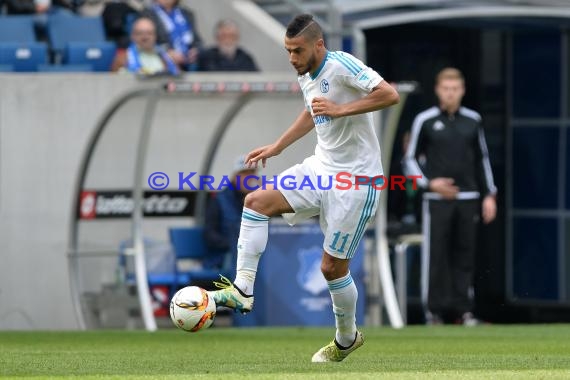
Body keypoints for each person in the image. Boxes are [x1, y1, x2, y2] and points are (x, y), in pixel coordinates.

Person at [208, 14, 399, 362]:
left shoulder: (342, 64)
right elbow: (311, 112)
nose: (292, 58)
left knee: (331, 269)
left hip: (356, 181)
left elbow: (389, 94)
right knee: (256, 201)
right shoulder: (307, 74)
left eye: (298, 51)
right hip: (320, 168)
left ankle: (346, 338)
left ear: (319, 45)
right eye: (288, 51)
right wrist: (277, 146)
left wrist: (342, 110)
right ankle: (243, 291)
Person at [404, 67, 497, 326]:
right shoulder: (425, 120)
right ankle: (433, 312)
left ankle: (463, 311)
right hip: (436, 201)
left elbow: (482, 159)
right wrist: (429, 184)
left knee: (465, 255)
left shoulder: (473, 120)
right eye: (446, 89)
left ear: (463, 91)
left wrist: (489, 195)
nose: (450, 94)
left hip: (468, 197)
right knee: (436, 255)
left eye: (455, 89)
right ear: (437, 90)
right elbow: (409, 159)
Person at [203, 155, 258, 273]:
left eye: (251, 173)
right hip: (222, 259)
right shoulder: (219, 199)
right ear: (235, 176)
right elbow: (210, 235)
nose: (248, 178)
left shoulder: (257, 201)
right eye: (244, 173)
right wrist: (235, 245)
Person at [140, 0, 202, 71]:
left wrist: (196, 51)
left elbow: (198, 42)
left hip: (190, 64)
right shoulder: (147, 13)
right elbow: (142, 42)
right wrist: (165, 53)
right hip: (163, 64)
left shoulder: (186, 13)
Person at [111, 16, 179, 75]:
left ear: (155, 36)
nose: (145, 37)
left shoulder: (167, 58)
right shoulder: (122, 58)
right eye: (140, 33)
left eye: (149, 33)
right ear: (132, 36)